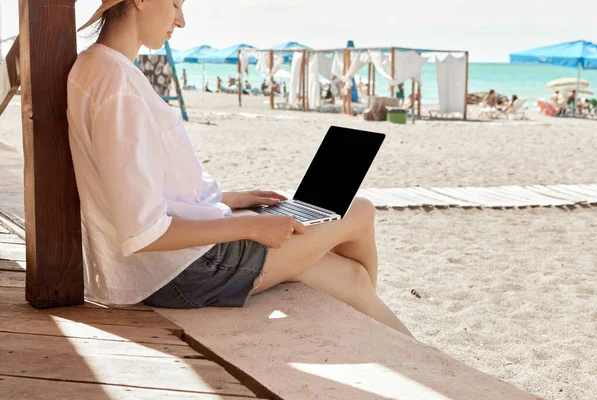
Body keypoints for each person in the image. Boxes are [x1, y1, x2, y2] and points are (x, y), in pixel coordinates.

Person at [68, 0, 412, 337]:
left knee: (350, 278)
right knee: (360, 211)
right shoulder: (119, 87)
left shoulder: (100, 68)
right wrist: (250, 226)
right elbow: (143, 233)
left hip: (166, 268)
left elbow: (140, 188)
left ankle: (407, 350)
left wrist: (230, 200)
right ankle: (387, 344)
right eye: (175, 4)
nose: (181, 20)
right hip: (183, 271)